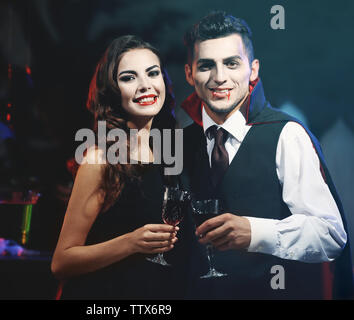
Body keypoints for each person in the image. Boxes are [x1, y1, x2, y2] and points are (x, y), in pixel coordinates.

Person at [179, 11, 353, 299]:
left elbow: (331, 234)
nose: (219, 77)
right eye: (207, 65)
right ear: (189, 74)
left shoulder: (287, 134)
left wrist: (255, 232)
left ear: (254, 69)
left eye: (232, 63)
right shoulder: (181, 143)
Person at [51, 35, 187, 299]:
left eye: (153, 73)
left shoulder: (168, 154)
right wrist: (131, 242)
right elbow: (61, 262)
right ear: (112, 91)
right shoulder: (100, 160)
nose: (145, 85)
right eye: (129, 77)